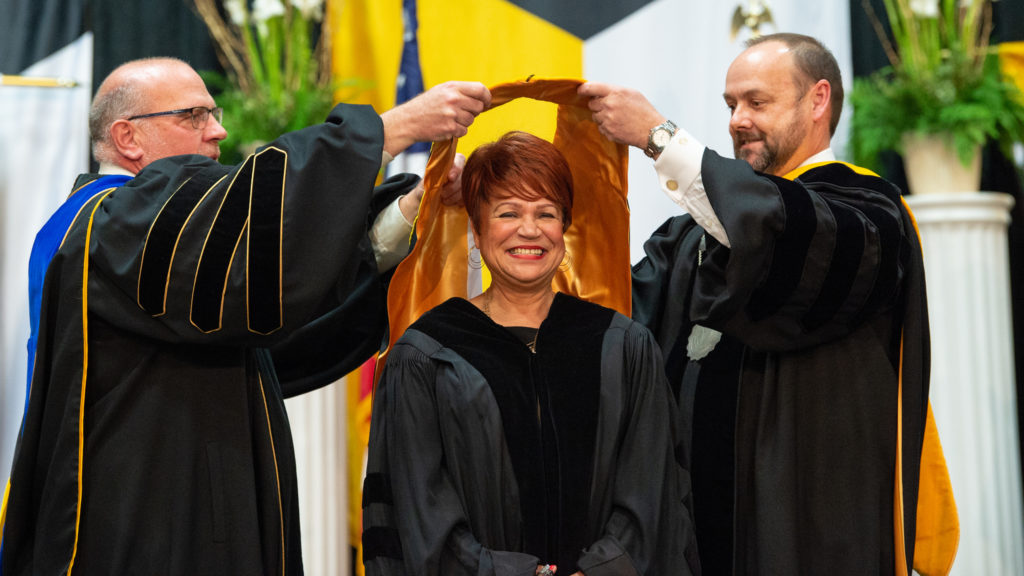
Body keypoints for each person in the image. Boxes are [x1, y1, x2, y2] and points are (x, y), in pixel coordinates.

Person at [0, 56, 490, 575]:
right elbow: (235, 224)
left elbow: (274, 304)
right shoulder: (110, 221)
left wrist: (411, 207)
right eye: (194, 116)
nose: (219, 131)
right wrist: (394, 129)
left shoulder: (139, 240)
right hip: (142, 528)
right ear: (128, 138)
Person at [580, 33, 952, 574]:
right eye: (731, 105)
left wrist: (661, 139)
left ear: (818, 100)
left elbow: (779, 230)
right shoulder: (691, 234)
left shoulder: (869, 211)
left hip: (811, 526)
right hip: (696, 534)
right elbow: (609, 317)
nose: (736, 120)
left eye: (757, 102)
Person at [361, 131, 700, 576]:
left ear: (564, 228)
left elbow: (653, 490)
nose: (529, 229)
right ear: (478, 232)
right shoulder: (425, 356)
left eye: (547, 213)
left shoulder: (622, 345)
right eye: (508, 212)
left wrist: (602, 570)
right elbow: (417, 511)